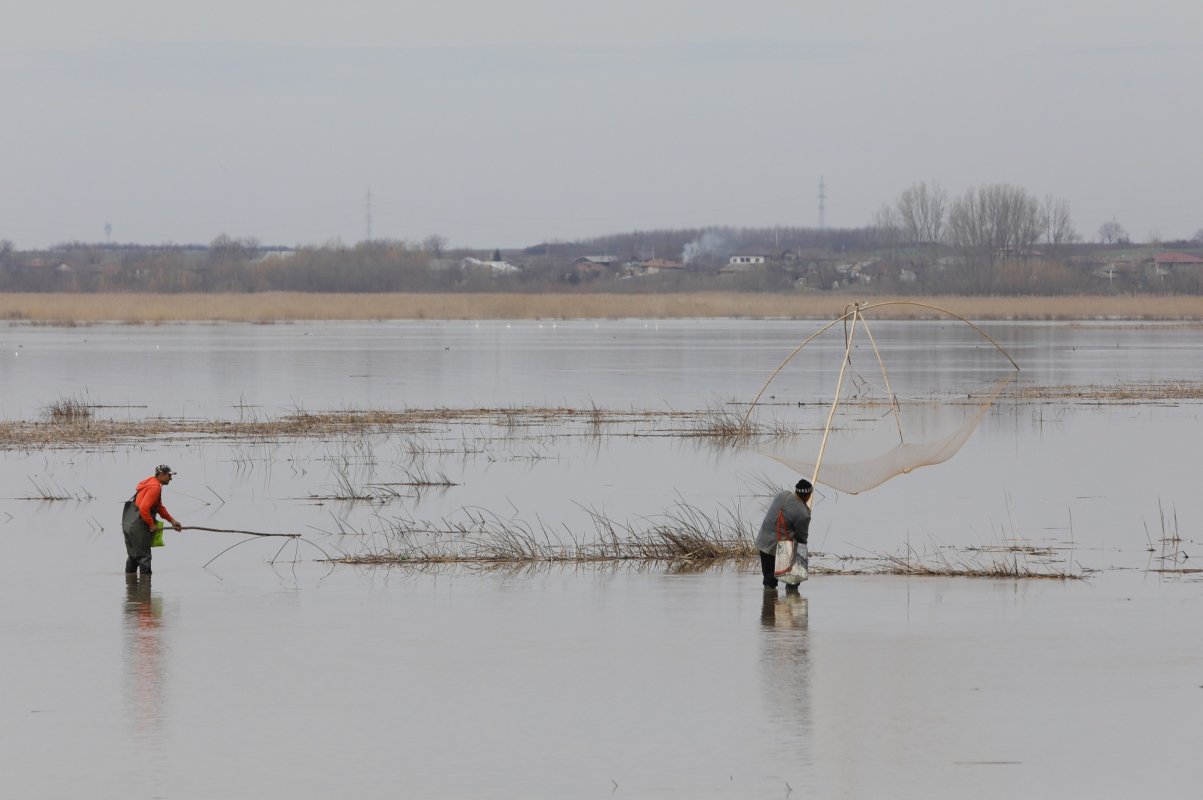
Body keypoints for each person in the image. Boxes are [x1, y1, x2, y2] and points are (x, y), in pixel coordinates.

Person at [122, 465, 182, 577]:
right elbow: (143, 508)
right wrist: (151, 524)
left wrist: (172, 521)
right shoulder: (155, 487)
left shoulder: (150, 483)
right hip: (139, 526)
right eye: (169, 475)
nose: (171, 478)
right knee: (144, 557)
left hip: (129, 525)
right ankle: (145, 584)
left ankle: (130, 584)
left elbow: (159, 507)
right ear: (162, 475)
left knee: (134, 556)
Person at [755, 478, 812, 591]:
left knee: (769, 582)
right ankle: (792, 596)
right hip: (779, 548)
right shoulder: (803, 513)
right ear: (808, 496)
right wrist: (807, 513)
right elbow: (801, 539)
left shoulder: (782, 494)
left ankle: (769, 600)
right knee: (793, 580)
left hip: (763, 542)